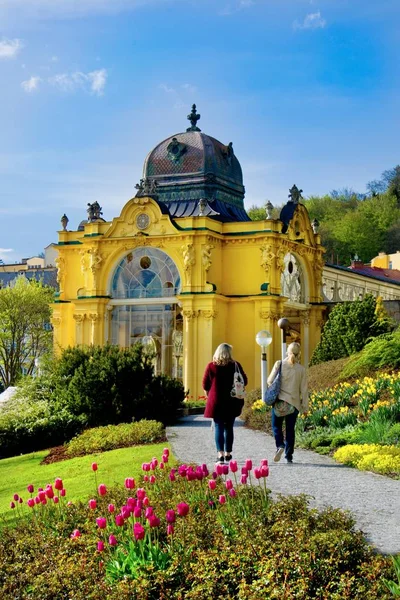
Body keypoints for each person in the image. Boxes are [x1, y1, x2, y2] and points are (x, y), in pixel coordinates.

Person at [203, 343, 248, 464]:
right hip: (232, 401)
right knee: (229, 427)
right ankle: (228, 454)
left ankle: (220, 455)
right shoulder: (235, 365)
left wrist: (209, 393)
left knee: (218, 426)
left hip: (216, 401)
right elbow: (245, 381)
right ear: (229, 353)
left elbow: (205, 384)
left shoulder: (211, 366)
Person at [267, 342, 308, 464]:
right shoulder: (301, 370)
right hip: (294, 404)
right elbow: (304, 390)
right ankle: (289, 456)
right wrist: (305, 407)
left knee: (276, 426)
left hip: (280, 402)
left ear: (287, 352)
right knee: (290, 429)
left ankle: (280, 445)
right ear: (299, 353)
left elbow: (270, 381)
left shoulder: (279, 364)